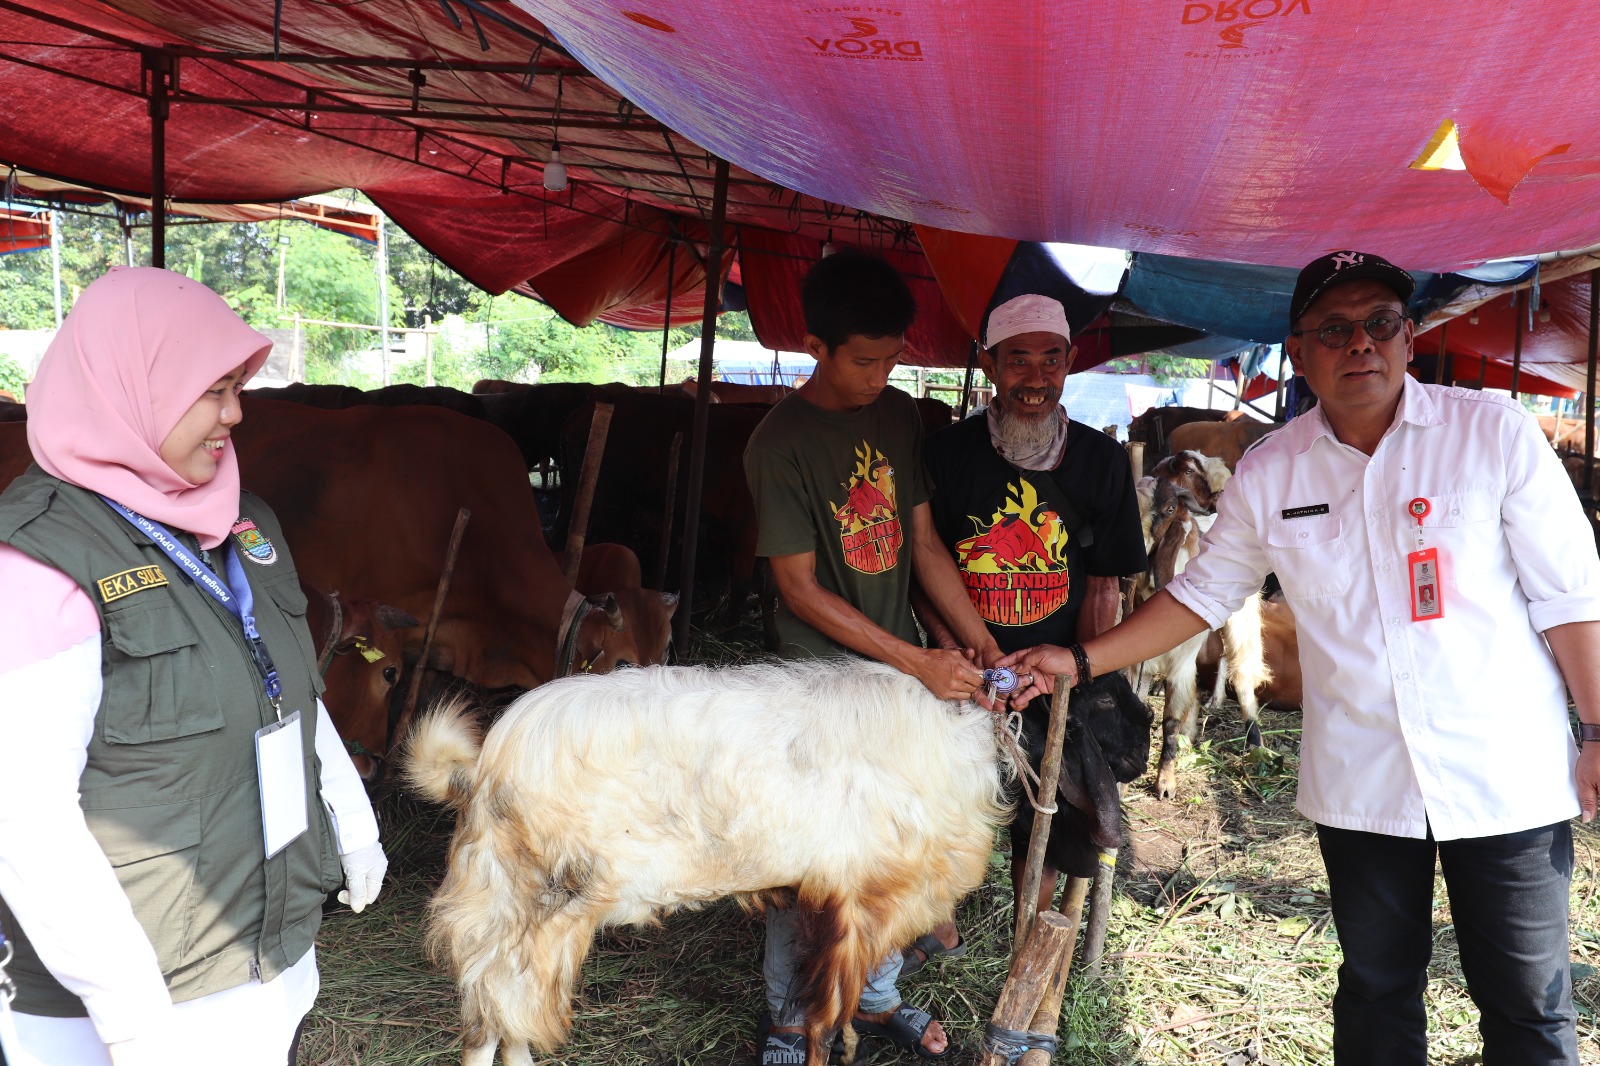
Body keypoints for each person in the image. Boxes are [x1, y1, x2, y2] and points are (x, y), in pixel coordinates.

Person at [1000, 250, 1600, 1064]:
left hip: (1505, 771)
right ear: (1300, 352)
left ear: (1408, 338)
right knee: (1378, 991)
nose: (1360, 344)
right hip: (1363, 778)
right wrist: (1080, 660)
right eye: (1334, 330)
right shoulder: (1272, 469)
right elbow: (1201, 594)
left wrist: (1596, 730)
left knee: (1528, 1003)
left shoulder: (1492, 435)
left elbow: (1571, 598)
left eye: (1379, 324)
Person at [0, 268, 388, 1066]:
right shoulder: (38, 562)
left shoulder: (246, 522)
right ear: (131, 390)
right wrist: (132, 1012)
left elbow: (290, 696)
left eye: (237, 386)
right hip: (127, 996)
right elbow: (24, 820)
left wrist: (352, 824)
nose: (236, 414)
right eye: (213, 390)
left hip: (260, 942)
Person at [743, 250, 999, 1064]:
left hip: (899, 675)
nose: (877, 375)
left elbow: (921, 540)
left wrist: (974, 637)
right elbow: (800, 591)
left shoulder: (895, 417)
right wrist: (914, 662)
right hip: (819, 682)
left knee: (894, 842)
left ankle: (877, 993)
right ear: (815, 345)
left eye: (891, 357)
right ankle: (790, 1017)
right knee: (811, 858)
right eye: (862, 359)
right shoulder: (777, 443)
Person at [919, 293, 1147, 916]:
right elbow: (926, 566)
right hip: (967, 668)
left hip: (1055, 672)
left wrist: (1083, 668)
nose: (1035, 378)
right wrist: (959, 656)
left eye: (1050, 361)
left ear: (1070, 362)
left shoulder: (1101, 462)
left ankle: (1028, 923)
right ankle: (939, 923)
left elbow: (1104, 585)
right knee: (948, 800)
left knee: (1056, 808)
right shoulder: (943, 456)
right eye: (1018, 361)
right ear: (989, 364)